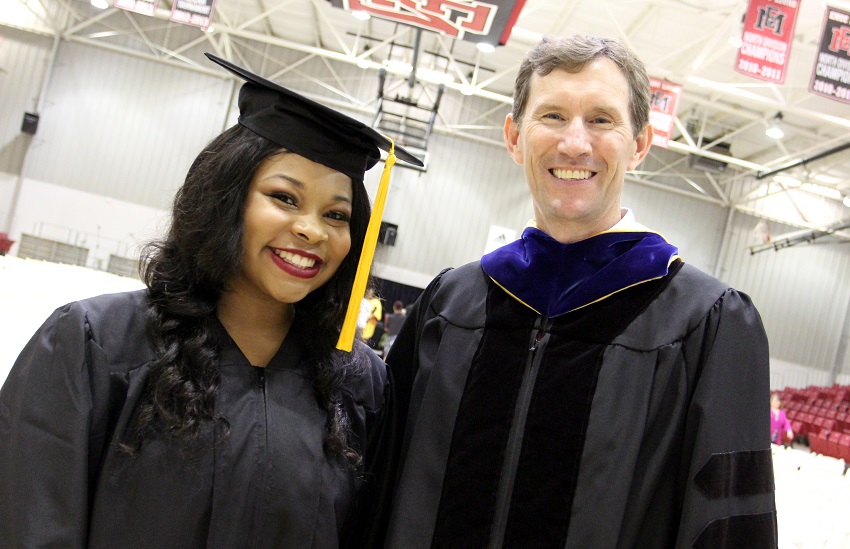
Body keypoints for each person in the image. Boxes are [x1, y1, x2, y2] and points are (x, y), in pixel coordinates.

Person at [0, 53, 421, 548]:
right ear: (227, 198)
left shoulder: (359, 383)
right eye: (285, 198)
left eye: (336, 215)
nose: (311, 229)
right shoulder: (96, 344)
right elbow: (32, 522)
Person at [384, 35, 776, 548]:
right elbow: (382, 485)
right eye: (551, 116)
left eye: (601, 119)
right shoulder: (451, 304)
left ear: (638, 145)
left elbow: (728, 529)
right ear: (514, 137)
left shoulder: (705, 323)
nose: (574, 143)